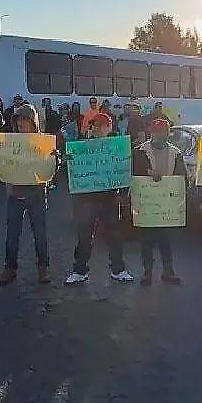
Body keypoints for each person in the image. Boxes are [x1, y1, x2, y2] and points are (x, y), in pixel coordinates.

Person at [64, 113, 133, 285]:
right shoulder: (81, 146)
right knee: (84, 237)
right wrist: (69, 161)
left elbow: (124, 171)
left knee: (115, 236)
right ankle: (79, 271)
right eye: (95, 125)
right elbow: (73, 173)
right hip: (87, 200)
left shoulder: (118, 148)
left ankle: (118, 269)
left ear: (109, 128)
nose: (98, 128)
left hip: (109, 199)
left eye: (102, 125)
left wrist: (122, 194)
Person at [0, 104, 53, 286]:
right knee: (12, 234)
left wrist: (55, 159)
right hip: (14, 194)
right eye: (17, 120)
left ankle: (43, 268)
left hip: (36, 194)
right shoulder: (9, 143)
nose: (20, 123)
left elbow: (50, 170)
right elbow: (0, 163)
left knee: (40, 234)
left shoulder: (42, 142)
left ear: (33, 122)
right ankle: (10, 268)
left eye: (24, 120)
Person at [132, 117, 185, 286]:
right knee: (146, 241)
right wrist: (148, 172)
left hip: (167, 206)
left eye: (162, 132)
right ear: (151, 133)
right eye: (156, 132)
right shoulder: (140, 151)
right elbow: (134, 172)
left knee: (166, 241)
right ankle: (147, 273)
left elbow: (182, 176)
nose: (159, 135)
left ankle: (168, 272)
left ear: (168, 133)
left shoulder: (176, 153)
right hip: (147, 204)